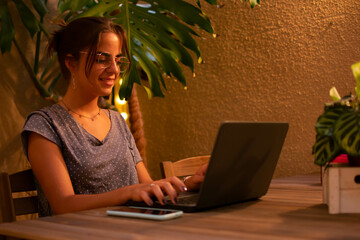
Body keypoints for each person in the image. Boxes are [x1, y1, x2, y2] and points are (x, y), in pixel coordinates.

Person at [21, 16, 207, 217]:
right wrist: (127, 192)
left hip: (128, 230)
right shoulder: (45, 125)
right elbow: (64, 205)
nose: (114, 70)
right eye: (102, 59)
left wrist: (187, 184)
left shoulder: (116, 120)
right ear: (70, 63)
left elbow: (147, 186)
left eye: (118, 60)